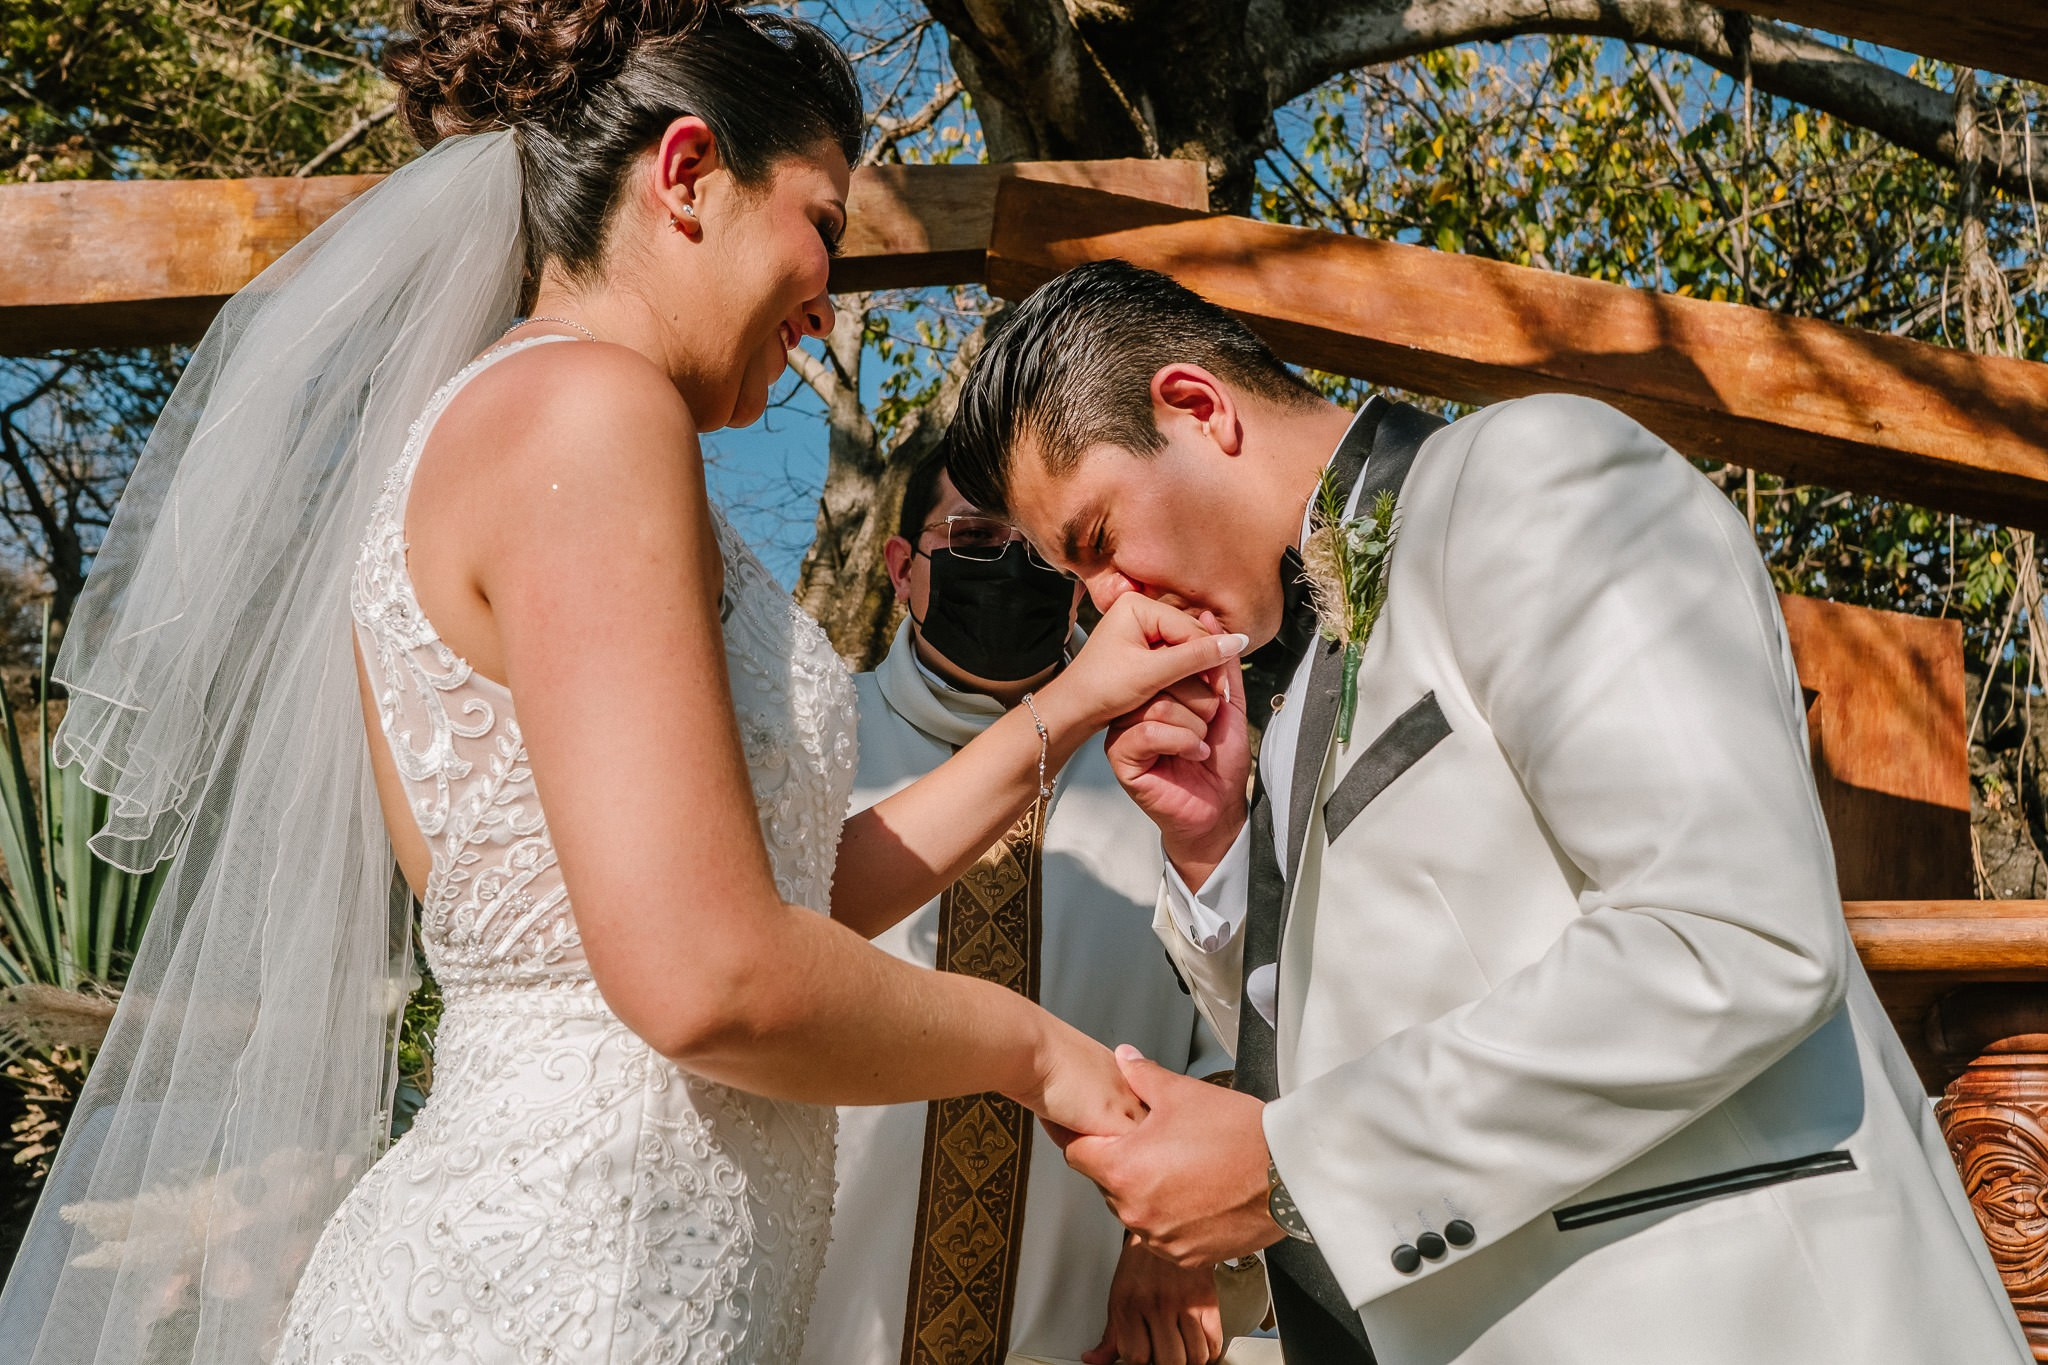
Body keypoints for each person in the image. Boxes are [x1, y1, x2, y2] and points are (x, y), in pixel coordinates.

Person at [0, 14, 1243, 1365]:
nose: (829, 295)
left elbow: (782, 899)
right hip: (572, 1287)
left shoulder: (529, 419)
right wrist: (1040, 1050)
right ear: (689, 173)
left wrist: (1063, 707)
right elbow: (709, 973)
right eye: (822, 220)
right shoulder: (589, 411)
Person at [943, 258, 2031, 1365]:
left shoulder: (1536, 470)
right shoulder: (1302, 680)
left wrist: (1292, 1168)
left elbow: (1730, 935)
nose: (1106, 607)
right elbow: (1361, 1031)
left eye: (1094, 543)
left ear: (1195, 407)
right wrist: (1214, 839)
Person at [803, 461, 1257, 1365]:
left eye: (1038, 549)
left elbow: (1250, 1013)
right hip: (821, 1313)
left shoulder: (1170, 766)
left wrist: (1189, 1236)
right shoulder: (818, 749)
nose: (1009, 569)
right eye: (973, 541)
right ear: (901, 567)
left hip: (1086, 1322)